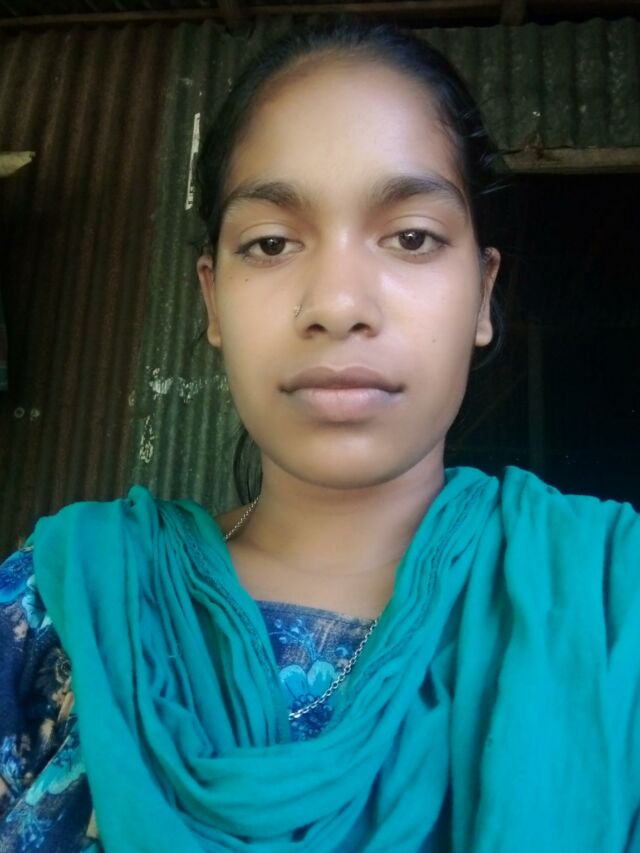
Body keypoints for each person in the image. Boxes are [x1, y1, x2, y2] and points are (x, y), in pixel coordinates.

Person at [0, 20, 639, 853]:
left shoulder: (612, 609)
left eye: (412, 237)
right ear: (212, 299)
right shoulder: (58, 606)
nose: (337, 304)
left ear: (484, 294)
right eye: (271, 243)